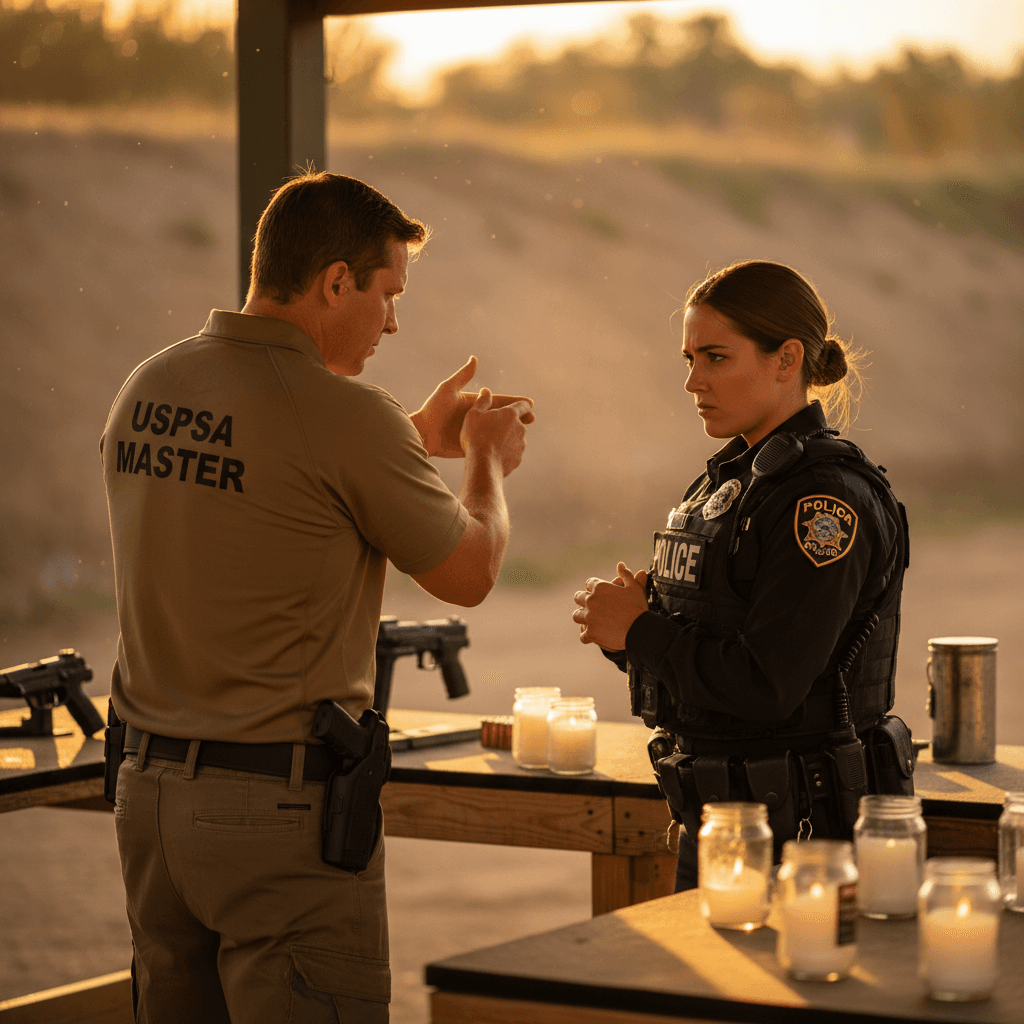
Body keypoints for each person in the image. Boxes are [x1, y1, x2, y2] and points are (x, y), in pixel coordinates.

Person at [100, 171, 534, 1023]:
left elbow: (269, 489)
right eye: (387, 292)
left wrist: (404, 443)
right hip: (273, 815)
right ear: (336, 282)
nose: (394, 320)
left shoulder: (150, 385)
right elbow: (470, 571)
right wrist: (485, 458)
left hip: (148, 798)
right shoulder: (345, 414)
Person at [572, 260, 910, 892]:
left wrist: (642, 631)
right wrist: (632, 630)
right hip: (726, 819)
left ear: (787, 359)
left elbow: (766, 686)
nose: (694, 380)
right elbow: (715, 660)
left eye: (716, 357)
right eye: (689, 359)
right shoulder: (730, 483)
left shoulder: (821, 502)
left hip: (805, 840)